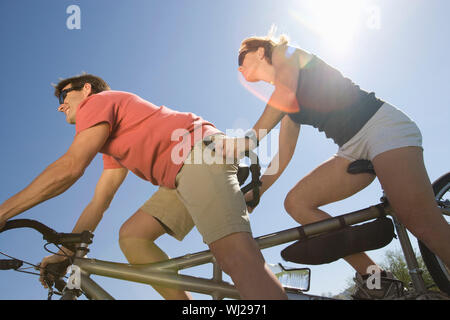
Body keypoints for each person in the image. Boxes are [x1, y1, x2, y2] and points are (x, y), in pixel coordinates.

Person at [0, 74, 287, 300]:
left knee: (236, 257)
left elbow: (71, 167)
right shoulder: (112, 142)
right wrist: (66, 253)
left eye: (64, 95)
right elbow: (100, 202)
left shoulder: (97, 103)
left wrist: (4, 212)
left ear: (86, 89)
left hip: (199, 156)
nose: (60, 104)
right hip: (181, 172)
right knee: (132, 236)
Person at [221, 33, 450, 299]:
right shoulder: (285, 101)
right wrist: (256, 194)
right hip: (351, 150)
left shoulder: (286, 54)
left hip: (381, 127)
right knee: (297, 203)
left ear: (260, 51)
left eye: (242, 58)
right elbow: (283, 157)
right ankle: (377, 279)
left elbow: (285, 92)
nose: (239, 68)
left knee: (418, 219)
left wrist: (245, 142)